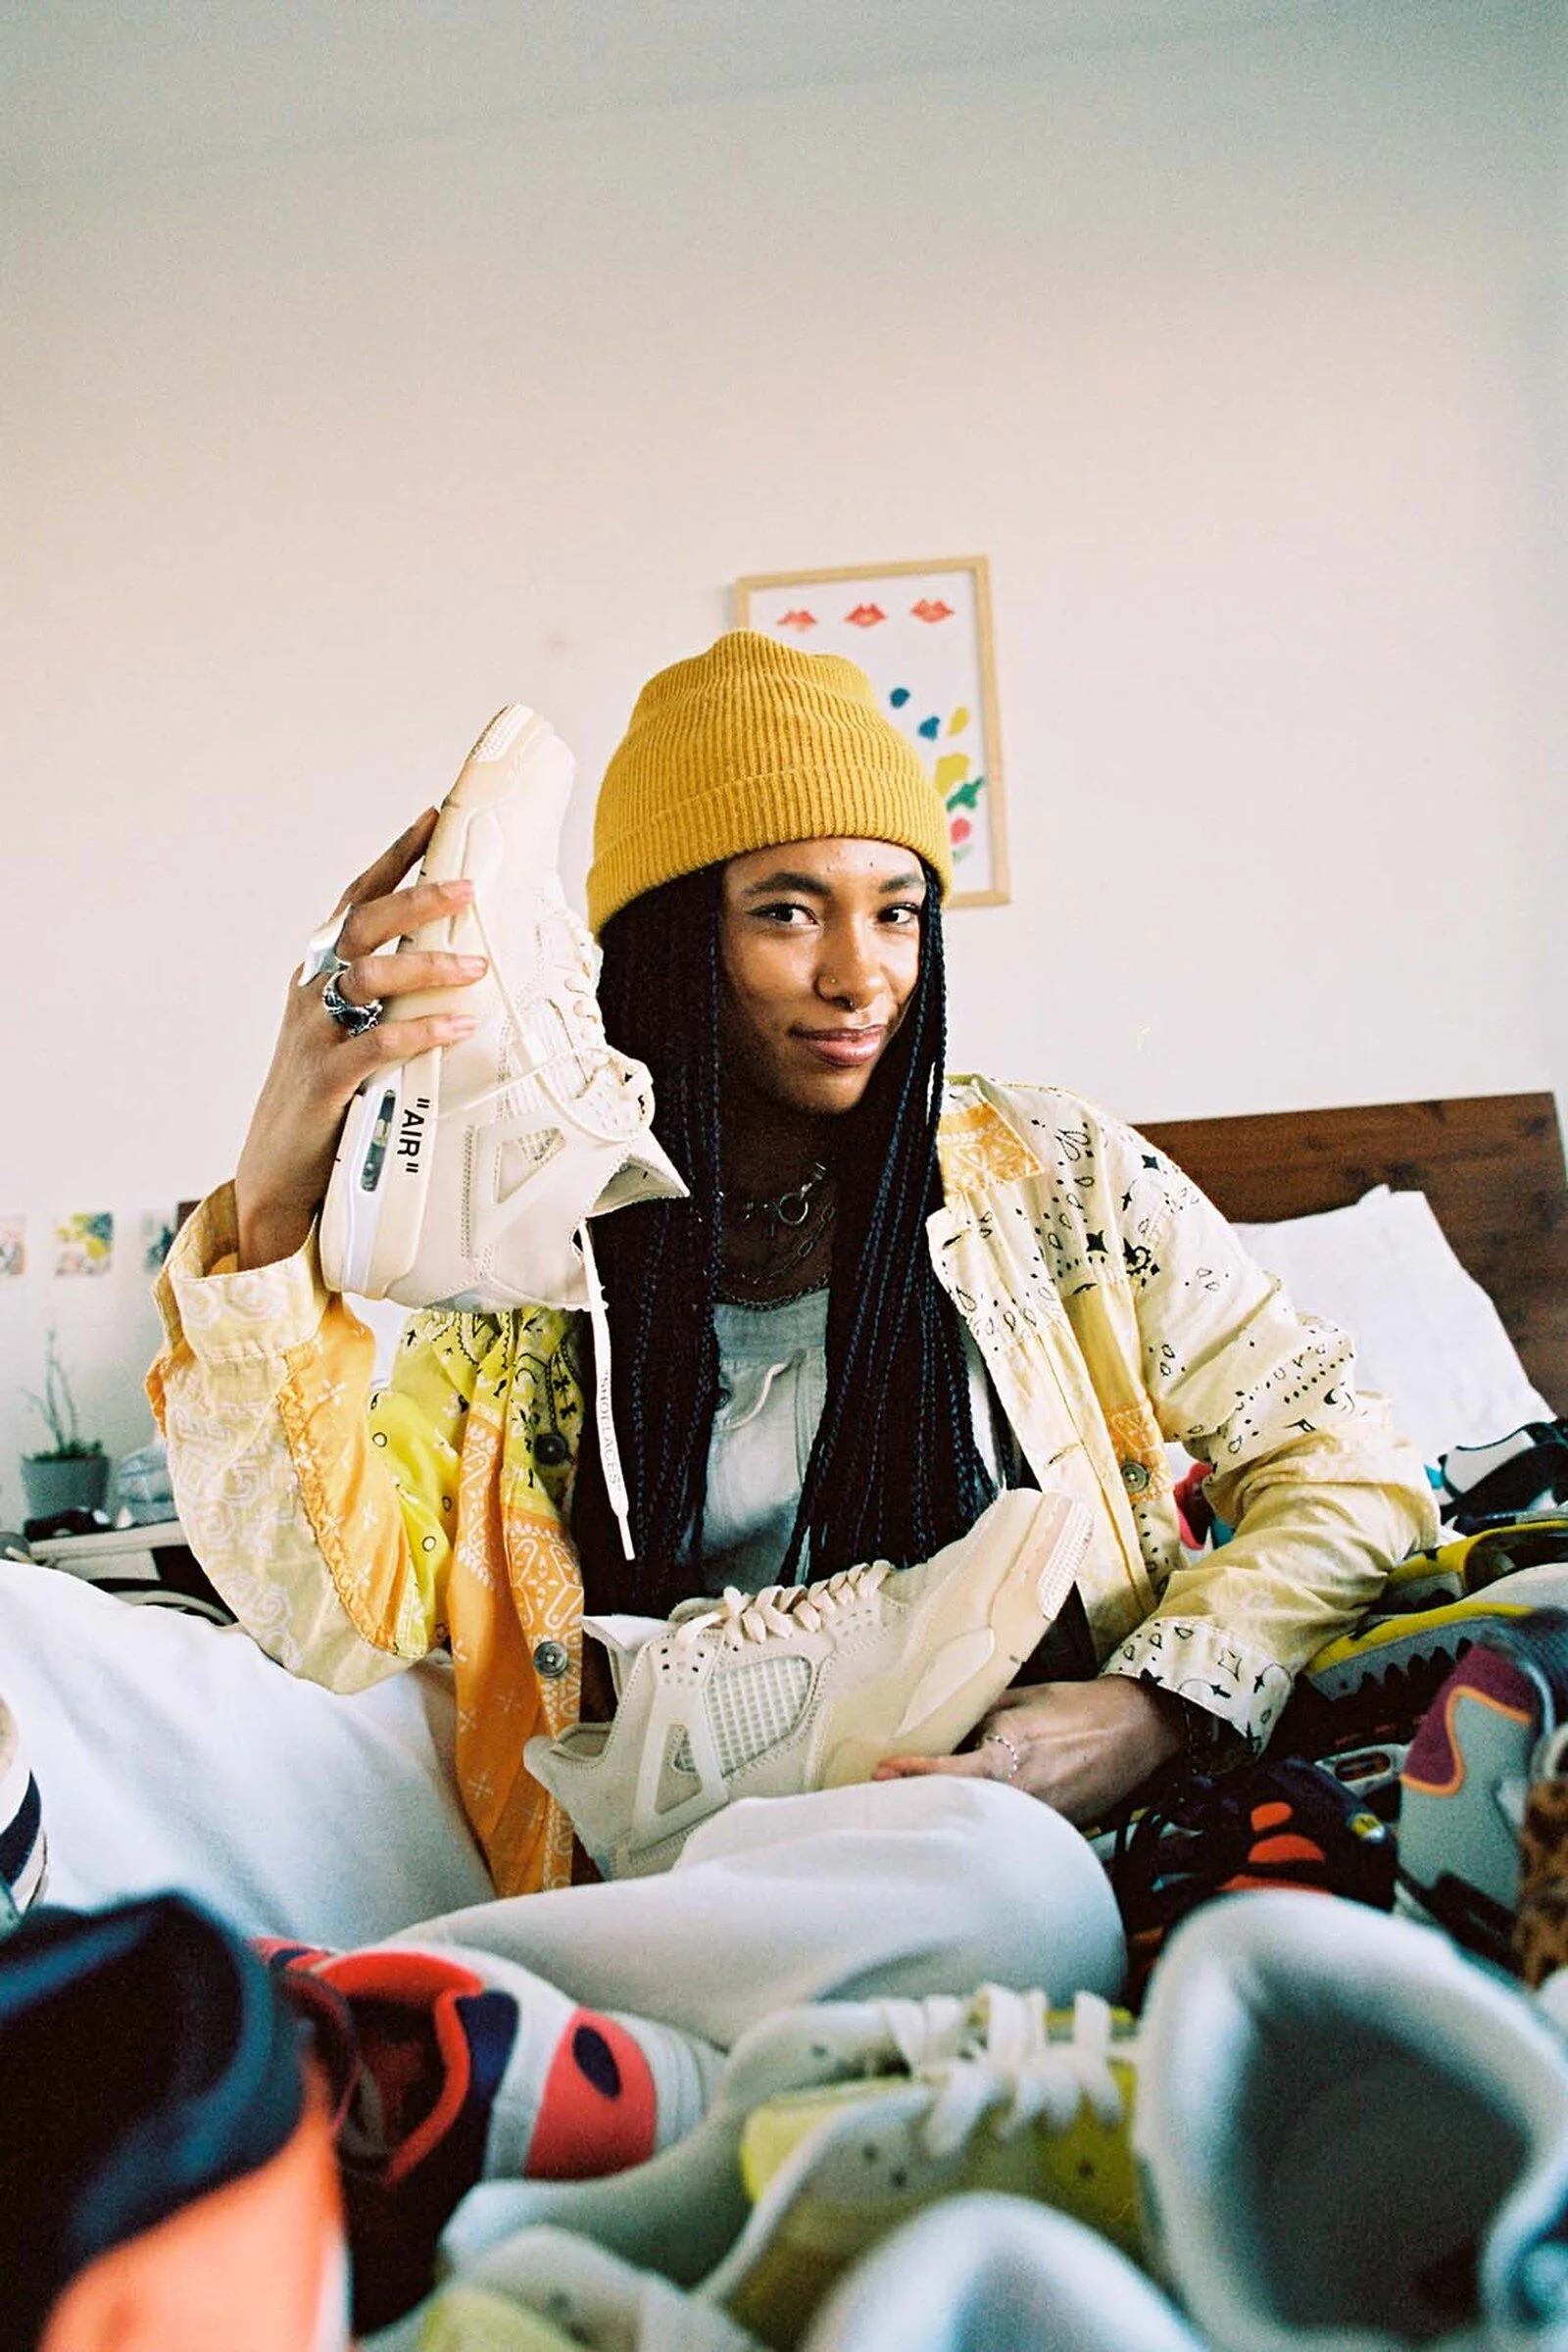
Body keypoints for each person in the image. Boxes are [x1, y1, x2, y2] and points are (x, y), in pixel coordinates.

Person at [150, 630, 1436, 1901]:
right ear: (671, 941)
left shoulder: (1050, 1177)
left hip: (1030, 1845)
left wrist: (1151, 1710)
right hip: (673, 1875)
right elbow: (335, 1626)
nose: (861, 976)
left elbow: (1350, 1463)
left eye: (897, 912)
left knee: (1008, 1885)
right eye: (786, 912)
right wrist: (271, 1203)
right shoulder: (539, 1261)